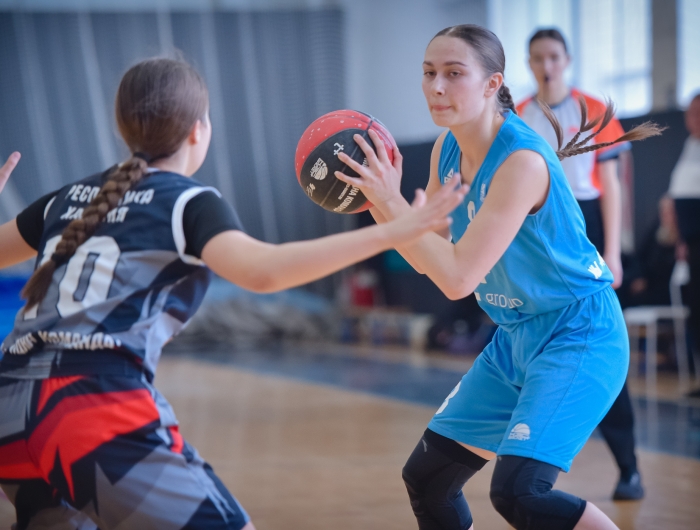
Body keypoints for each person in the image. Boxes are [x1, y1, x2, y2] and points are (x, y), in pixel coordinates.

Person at [0, 57, 465, 530]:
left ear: (123, 127)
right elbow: (264, 273)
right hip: (88, 402)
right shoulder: (187, 200)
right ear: (199, 130)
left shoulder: (65, 198)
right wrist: (391, 232)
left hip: (9, 403)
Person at [335, 24, 660, 530]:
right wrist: (381, 201)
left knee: (520, 492)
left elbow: (458, 278)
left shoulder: (522, 162)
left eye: (453, 73)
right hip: (515, 336)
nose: (436, 86)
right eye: (428, 73)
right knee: (427, 479)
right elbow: (423, 254)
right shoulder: (446, 149)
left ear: (492, 84)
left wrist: (390, 202)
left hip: (579, 334)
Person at [517, 28, 643, 501]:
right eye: (537, 58)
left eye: (553, 56)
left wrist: (612, 251)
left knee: (602, 348)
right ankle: (528, 466)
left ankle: (629, 468)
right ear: (529, 64)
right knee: (528, 348)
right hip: (538, 231)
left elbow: (611, 185)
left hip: (585, 228)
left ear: (566, 60)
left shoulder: (591, 110)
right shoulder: (520, 115)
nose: (546, 65)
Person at [668, 92, 700, 397]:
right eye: (691, 113)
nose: (695, 119)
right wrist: (680, 239)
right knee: (696, 310)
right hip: (691, 247)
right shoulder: (690, 146)